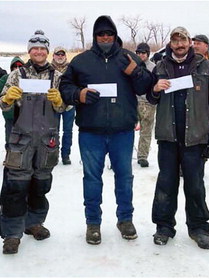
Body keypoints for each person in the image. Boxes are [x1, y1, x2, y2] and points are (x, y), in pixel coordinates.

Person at [59, 15, 155, 245]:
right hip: (91, 131)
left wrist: (136, 72)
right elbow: (64, 86)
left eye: (109, 34)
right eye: (101, 34)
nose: (105, 37)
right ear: (95, 36)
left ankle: (125, 219)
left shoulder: (128, 57)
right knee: (92, 178)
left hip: (122, 131)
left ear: (115, 35)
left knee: (125, 177)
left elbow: (147, 87)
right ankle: (93, 223)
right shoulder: (81, 61)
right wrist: (78, 94)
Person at [147, 27, 209, 248]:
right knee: (166, 184)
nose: (179, 45)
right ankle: (163, 226)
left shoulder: (204, 66)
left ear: (190, 42)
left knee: (195, 185)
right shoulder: (160, 66)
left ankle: (199, 228)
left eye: (183, 41)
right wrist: (155, 88)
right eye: (175, 41)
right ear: (170, 43)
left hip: (196, 137)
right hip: (168, 137)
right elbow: (151, 99)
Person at [0, 30, 66, 254]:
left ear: (47, 51)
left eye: (42, 48)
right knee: (15, 187)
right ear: (29, 51)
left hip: (47, 142)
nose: (38, 51)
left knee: (41, 185)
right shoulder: (18, 74)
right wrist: (8, 98)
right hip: (21, 140)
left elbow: (66, 106)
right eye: (34, 48)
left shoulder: (57, 76)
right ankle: (12, 233)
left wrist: (60, 102)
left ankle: (34, 223)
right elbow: (3, 105)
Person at [51, 46, 75, 165]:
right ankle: (53, 154)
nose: (60, 57)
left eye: (62, 55)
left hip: (69, 105)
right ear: (53, 56)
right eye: (57, 54)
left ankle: (66, 155)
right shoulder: (48, 68)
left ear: (65, 56)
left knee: (68, 131)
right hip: (53, 104)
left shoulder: (71, 68)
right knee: (53, 131)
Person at [135, 42, 156, 168]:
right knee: (126, 129)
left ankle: (142, 156)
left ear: (148, 54)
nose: (140, 55)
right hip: (133, 101)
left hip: (148, 103)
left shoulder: (153, 67)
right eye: (138, 52)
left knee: (146, 131)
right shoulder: (132, 65)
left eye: (143, 53)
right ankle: (124, 155)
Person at [0, 56, 24, 151]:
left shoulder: (27, 79)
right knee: (9, 134)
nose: (17, 68)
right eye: (14, 66)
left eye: (19, 66)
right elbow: (2, 94)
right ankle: (9, 154)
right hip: (10, 113)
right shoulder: (5, 78)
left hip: (23, 114)